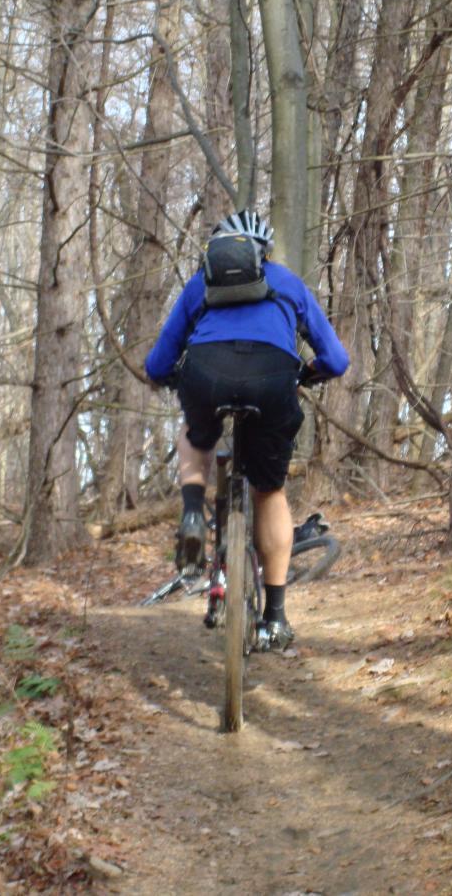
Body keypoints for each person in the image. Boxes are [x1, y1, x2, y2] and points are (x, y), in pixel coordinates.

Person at [145, 210, 349, 648]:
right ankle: (274, 618)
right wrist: (309, 372)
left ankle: (194, 513)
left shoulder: (201, 283)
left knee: (195, 436)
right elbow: (337, 359)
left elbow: (158, 363)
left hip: (206, 374)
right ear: (265, 253)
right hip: (272, 379)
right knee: (269, 491)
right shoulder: (288, 283)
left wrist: (170, 378)